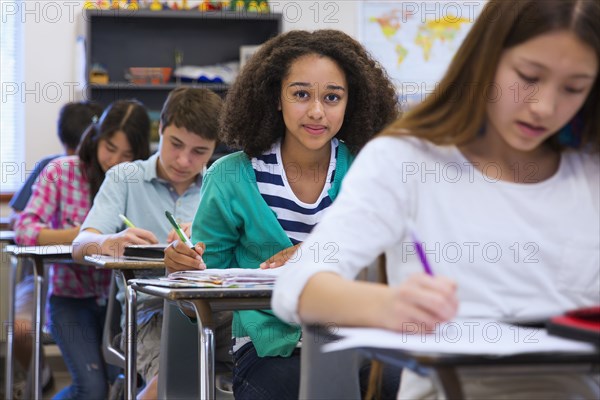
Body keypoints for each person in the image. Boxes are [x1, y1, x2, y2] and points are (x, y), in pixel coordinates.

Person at [272, 0, 600, 399]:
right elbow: (298, 285)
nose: (544, 107)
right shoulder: (407, 160)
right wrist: (388, 306)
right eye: (529, 77)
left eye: (574, 88)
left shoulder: (588, 169)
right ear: (484, 60)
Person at [164, 29, 400, 399]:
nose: (317, 111)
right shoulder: (230, 176)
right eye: (301, 94)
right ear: (276, 97)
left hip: (359, 336)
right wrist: (184, 272)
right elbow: (204, 300)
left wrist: (316, 255)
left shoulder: (371, 169)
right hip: (268, 349)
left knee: (401, 383)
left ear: (351, 103)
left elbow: (400, 261)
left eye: (332, 97)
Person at [72, 87, 224, 400]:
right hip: (151, 313)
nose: (183, 160)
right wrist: (109, 241)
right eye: (176, 144)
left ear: (214, 149)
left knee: (268, 355)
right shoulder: (124, 178)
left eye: (199, 152)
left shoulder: (219, 187)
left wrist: (210, 236)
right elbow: (80, 245)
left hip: (213, 310)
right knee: (176, 379)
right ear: (161, 129)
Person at [14, 100, 151, 400]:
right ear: (96, 136)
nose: (114, 160)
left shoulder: (136, 180)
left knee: (126, 387)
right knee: (91, 388)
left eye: (127, 154)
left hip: (121, 303)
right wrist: (86, 234)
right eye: (109, 147)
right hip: (70, 300)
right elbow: (24, 229)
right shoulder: (62, 172)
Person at [9, 101, 103, 399]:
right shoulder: (54, 169)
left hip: (98, 286)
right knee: (22, 328)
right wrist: (76, 234)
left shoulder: (113, 174)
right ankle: (42, 378)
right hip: (46, 277)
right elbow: (19, 221)